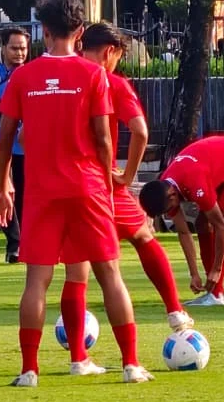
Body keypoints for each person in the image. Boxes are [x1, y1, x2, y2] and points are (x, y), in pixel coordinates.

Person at [0, 0, 152, 387]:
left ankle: (29, 370)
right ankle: (131, 365)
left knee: (36, 280)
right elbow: (103, 137)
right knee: (109, 273)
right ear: (80, 32)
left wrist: (2, 186)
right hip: (88, 186)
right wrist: (108, 180)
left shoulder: (23, 77)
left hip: (42, 191)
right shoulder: (94, 75)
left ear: (43, 30)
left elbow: (6, 137)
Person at [78, 22, 193, 331]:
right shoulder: (113, 84)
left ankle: (74, 344)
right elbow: (140, 132)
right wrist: (128, 177)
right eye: (119, 57)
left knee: (71, 262)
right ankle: (174, 310)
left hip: (58, 181)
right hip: (100, 181)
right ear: (110, 52)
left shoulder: (63, 78)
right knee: (142, 236)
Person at [138, 135, 224, 307]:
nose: (170, 213)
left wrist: (216, 270)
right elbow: (183, 232)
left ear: (173, 195)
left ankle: (217, 294)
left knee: (220, 222)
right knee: (201, 224)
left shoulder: (195, 183)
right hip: (215, 165)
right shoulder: (165, 189)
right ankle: (215, 293)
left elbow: (220, 226)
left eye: (169, 209)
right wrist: (194, 274)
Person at [0, 27, 29, 263]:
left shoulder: (33, 74)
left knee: (25, 194)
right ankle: (14, 244)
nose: (19, 53)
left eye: (23, 48)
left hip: (26, 147)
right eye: (14, 48)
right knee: (4, 193)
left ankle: (28, 242)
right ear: (3, 48)